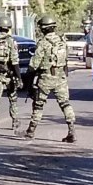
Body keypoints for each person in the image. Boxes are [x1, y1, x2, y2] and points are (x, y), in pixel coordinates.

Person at [23, 15, 76, 143]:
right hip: (60, 77)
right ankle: (72, 131)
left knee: (38, 105)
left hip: (45, 78)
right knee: (65, 104)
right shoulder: (62, 42)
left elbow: (33, 64)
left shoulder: (43, 43)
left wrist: (29, 80)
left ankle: (31, 131)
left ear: (43, 29)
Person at [0, 16, 23, 132]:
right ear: (9, 27)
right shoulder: (10, 41)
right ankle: (15, 121)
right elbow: (15, 61)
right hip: (8, 74)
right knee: (13, 98)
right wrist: (19, 77)